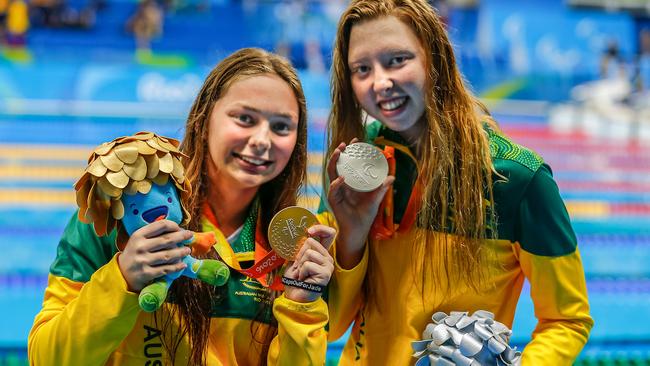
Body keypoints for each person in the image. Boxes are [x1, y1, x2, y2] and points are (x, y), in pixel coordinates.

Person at [321, 1, 593, 365]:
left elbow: (567, 319)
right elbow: (330, 325)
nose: (380, 82)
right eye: (362, 69)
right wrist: (351, 240)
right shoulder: (356, 169)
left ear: (436, 58)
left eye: (398, 60)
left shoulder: (517, 178)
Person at [28, 47, 336, 366]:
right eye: (245, 118)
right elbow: (47, 358)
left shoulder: (291, 249)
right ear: (205, 118)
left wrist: (301, 304)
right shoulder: (118, 213)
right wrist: (122, 279)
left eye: (282, 127)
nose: (263, 139)